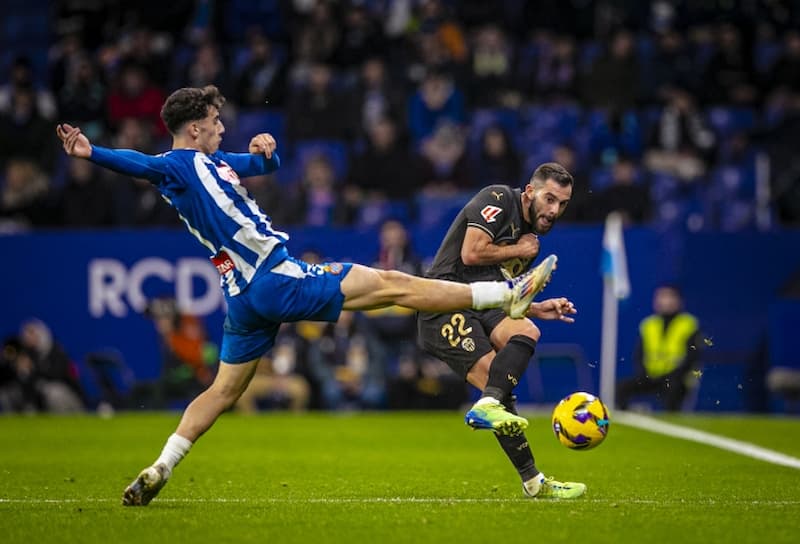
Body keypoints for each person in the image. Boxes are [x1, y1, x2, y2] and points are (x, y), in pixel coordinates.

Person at [55, 84, 556, 506]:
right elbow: (138, 163)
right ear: (193, 129)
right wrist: (91, 152)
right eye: (214, 121)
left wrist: (266, 152)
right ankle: (503, 293)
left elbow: (257, 166)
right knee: (391, 284)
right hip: (277, 276)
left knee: (223, 392)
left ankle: (161, 465)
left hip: (242, 299)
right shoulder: (179, 166)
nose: (221, 127)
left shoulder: (213, 163)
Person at [417, 162, 586, 499]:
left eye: (562, 204)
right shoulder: (497, 198)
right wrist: (520, 251)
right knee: (498, 388)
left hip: (481, 305)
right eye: (549, 199)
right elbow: (471, 252)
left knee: (527, 331)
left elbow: (500, 292)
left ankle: (495, 411)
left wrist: (538, 307)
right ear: (529, 192)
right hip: (443, 303)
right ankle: (534, 481)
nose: (554, 210)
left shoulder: (530, 239)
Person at [616, 284, 702, 411]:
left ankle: (672, 422)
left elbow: (692, 357)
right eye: (662, 297)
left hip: (677, 378)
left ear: (679, 300)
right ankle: (629, 418)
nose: (665, 301)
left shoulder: (689, 324)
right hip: (651, 376)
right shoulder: (648, 324)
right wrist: (644, 374)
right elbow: (638, 355)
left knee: (673, 388)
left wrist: (673, 375)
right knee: (621, 387)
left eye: (670, 296)